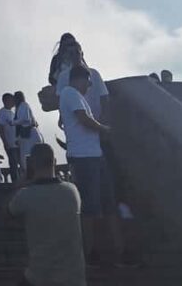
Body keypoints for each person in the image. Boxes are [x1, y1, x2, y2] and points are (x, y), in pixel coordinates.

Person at [59, 65, 119, 262]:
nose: (90, 87)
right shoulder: (69, 93)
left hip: (95, 155)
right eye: (89, 82)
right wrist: (104, 129)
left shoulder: (79, 97)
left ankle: (115, 251)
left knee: (107, 201)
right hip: (83, 157)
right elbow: (83, 119)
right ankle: (88, 253)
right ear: (80, 79)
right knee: (90, 208)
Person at [8, 143, 86, 286]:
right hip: (74, 278)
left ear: (31, 165)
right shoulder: (72, 191)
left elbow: (7, 212)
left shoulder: (25, 196)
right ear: (54, 162)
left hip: (40, 278)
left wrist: (20, 183)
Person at [55, 43, 109, 122]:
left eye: (77, 52)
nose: (75, 56)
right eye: (71, 54)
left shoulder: (94, 73)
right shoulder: (63, 77)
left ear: (82, 54)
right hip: (76, 120)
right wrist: (61, 117)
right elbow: (60, 99)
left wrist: (104, 116)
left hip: (97, 118)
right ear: (68, 56)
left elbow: (104, 96)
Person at [13, 92, 43, 173]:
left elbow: (25, 119)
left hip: (29, 135)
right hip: (27, 135)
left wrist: (13, 122)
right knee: (26, 158)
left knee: (28, 157)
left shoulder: (23, 105)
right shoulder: (21, 107)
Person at [0, 93, 21, 182]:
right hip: (10, 143)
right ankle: (15, 182)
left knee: (22, 163)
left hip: (18, 142)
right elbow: (0, 128)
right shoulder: (1, 113)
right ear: (6, 101)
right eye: (12, 100)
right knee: (13, 163)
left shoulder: (13, 112)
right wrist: (5, 142)